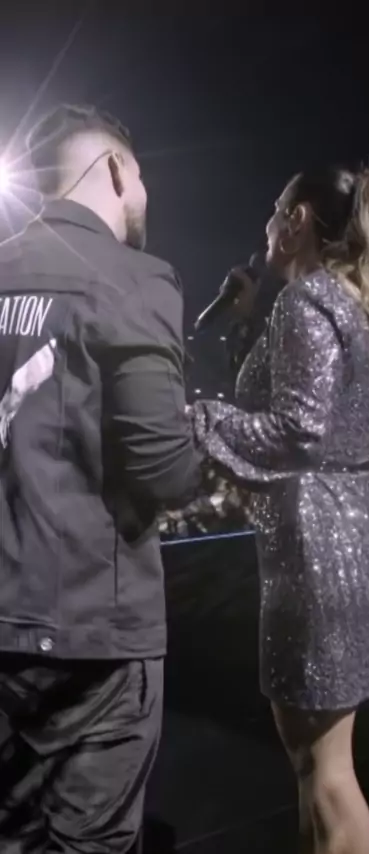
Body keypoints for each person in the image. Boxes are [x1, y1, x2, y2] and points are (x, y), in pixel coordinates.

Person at [191, 167, 369, 854]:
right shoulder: (349, 300)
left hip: (317, 553)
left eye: (274, 210)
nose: (265, 225)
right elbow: (299, 408)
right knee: (324, 770)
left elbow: (297, 430)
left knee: (327, 777)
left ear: (299, 219)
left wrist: (199, 418)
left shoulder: (307, 301)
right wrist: (247, 324)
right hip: (357, 535)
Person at [0, 104, 202, 853]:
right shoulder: (134, 279)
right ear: (116, 169)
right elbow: (163, 469)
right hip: (93, 632)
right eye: (141, 176)